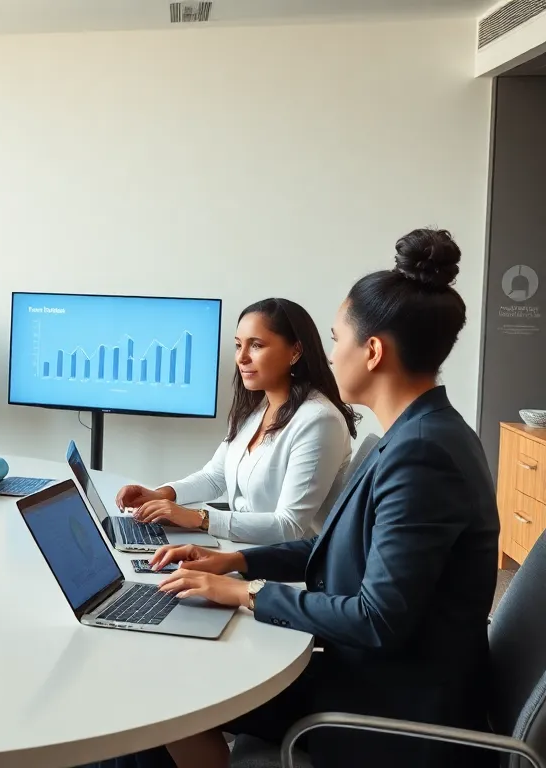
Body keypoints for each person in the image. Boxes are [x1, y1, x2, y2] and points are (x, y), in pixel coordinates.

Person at [144, 229, 499, 768]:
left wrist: (246, 594)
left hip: (388, 706)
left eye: (337, 340)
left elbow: (377, 618)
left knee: (173, 694)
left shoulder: (423, 454)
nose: (332, 356)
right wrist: (235, 561)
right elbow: (339, 549)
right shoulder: (414, 435)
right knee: (182, 669)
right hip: (376, 671)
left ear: (373, 351)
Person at [116, 298, 357, 545]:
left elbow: (290, 526)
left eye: (256, 346)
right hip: (244, 549)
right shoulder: (256, 408)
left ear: (295, 351)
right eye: (238, 345)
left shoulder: (319, 421)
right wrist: (161, 494)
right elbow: (214, 477)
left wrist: (199, 518)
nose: (241, 358)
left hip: (289, 567)